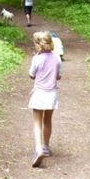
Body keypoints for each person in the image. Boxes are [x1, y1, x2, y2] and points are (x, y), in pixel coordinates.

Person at [28, 30, 62, 168]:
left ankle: (38, 148)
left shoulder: (37, 58)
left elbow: (31, 75)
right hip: (51, 94)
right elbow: (59, 76)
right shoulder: (57, 58)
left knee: (37, 122)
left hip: (39, 93)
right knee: (47, 121)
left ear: (38, 45)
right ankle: (46, 147)